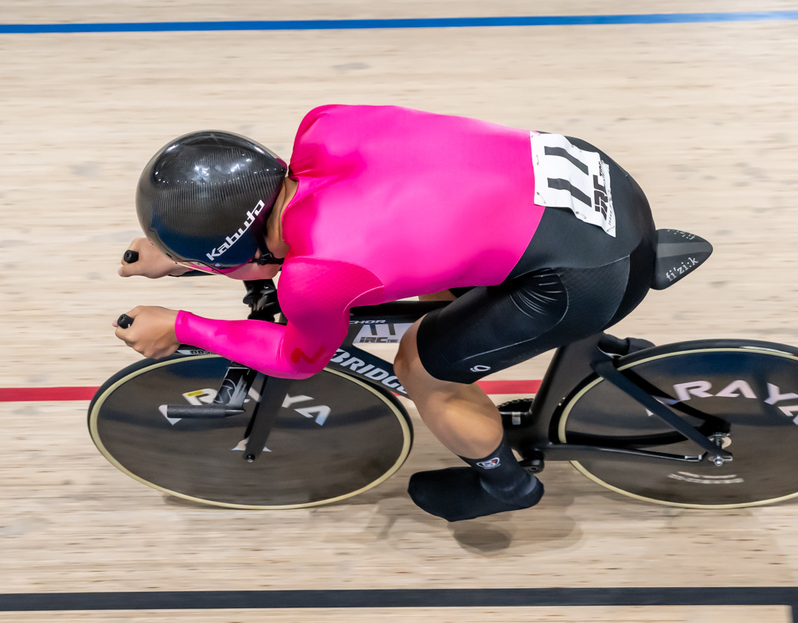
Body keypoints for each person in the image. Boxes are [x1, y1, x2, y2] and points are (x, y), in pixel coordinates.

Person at [116, 104, 656, 522]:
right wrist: (184, 253)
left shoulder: (316, 274)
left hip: (585, 274)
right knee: (432, 287)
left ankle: (508, 487)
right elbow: (272, 241)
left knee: (419, 368)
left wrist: (183, 325)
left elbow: (298, 356)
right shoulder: (323, 126)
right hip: (595, 182)